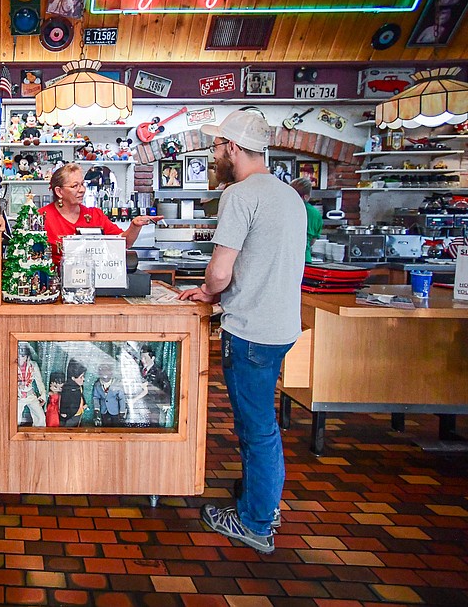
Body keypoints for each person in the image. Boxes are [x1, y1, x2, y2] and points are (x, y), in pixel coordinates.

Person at [178, 110, 305, 555]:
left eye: (217, 147)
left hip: (250, 329)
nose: (215, 155)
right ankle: (261, 502)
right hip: (283, 326)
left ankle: (256, 521)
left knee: (257, 430)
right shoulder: (290, 196)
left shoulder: (240, 194)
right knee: (262, 425)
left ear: (232, 148)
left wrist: (209, 294)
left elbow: (219, 272)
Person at [40, 162, 156, 267]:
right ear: (59, 191)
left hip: (94, 283)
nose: (82, 190)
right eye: (75, 186)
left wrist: (135, 226)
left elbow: (124, 242)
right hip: (53, 285)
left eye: (82, 184)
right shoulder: (42, 217)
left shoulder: (95, 215)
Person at [289, 177, 324, 262]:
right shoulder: (315, 213)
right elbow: (312, 240)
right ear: (306, 196)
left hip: (285, 259)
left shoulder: (285, 208)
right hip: (304, 258)